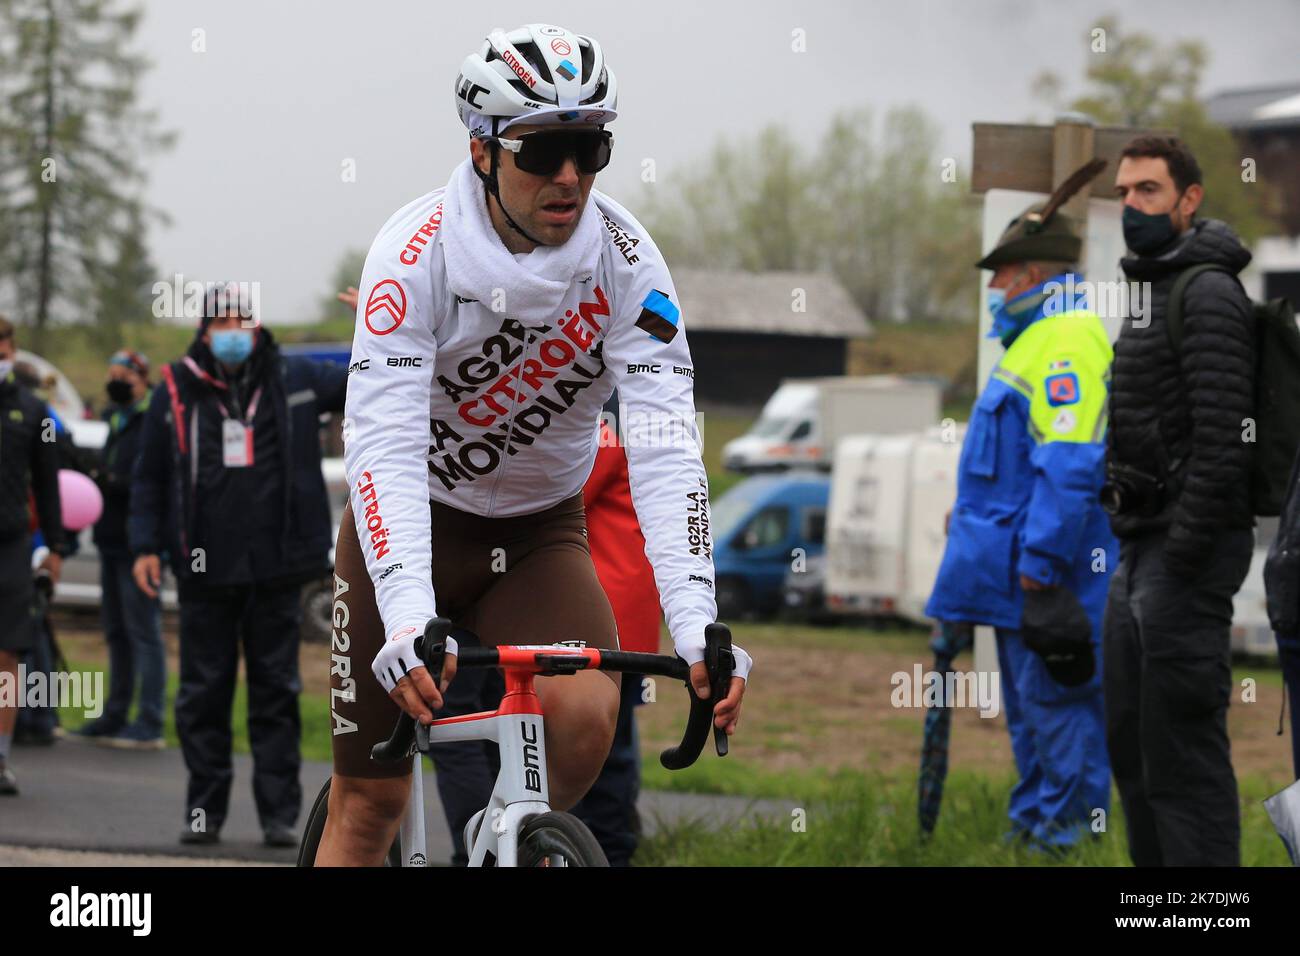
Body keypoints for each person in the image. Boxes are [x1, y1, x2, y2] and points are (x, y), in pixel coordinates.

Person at [316, 22, 751, 866]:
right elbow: (384, 446)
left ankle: (502, 845)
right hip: (411, 528)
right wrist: (407, 614)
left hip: (537, 533)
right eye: (544, 150)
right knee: (369, 802)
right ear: (482, 151)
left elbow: (665, 446)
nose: (569, 177)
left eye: (590, 150)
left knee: (588, 721)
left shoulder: (629, 265)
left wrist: (698, 624)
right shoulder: (411, 259)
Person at [925, 173, 1116, 852]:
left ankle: (1065, 843)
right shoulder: (1035, 340)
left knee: (1062, 715)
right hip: (1013, 578)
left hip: (1048, 578)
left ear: (1034, 273)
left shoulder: (1064, 340)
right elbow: (1014, 467)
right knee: (1034, 720)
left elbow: (1069, 465)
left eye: (1001, 277)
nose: (994, 292)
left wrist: (1039, 561)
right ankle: (1032, 833)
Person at [129, 285, 347, 846]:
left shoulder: (294, 377)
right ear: (204, 332)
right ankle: (204, 813)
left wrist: (380, 311)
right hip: (204, 570)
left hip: (277, 568)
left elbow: (370, 370)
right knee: (204, 693)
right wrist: (145, 546)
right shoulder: (174, 390)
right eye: (222, 323)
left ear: (256, 328)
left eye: (243, 321)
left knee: (275, 691)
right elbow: (149, 476)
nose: (234, 332)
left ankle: (279, 817)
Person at [1103, 136, 1257, 867]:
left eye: (1148, 192)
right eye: (1125, 192)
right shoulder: (1153, 288)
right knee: (1132, 749)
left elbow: (1225, 441)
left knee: (1182, 759)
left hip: (1180, 561)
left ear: (1189, 200)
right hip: (1138, 552)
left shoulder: (1209, 292)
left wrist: (1186, 559)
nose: (1131, 205)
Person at [76, 350, 166, 749]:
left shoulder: (153, 417)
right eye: (111, 375)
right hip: (110, 538)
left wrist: (108, 478)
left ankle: (149, 720)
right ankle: (115, 713)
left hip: (140, 545)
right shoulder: (115, 417)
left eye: (124, 376)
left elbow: (150, 479)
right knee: (115, 631)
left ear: (142, 378)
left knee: (143, 632)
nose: (117, 383)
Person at [0, 316, 67, 795]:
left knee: (7, 654)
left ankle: (1, 757)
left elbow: (48, 486)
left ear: (10, 350)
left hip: (11, 546)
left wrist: (57, 548)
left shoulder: (33, 411)